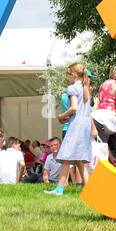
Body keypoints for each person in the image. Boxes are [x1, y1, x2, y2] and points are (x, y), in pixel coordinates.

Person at [45, 63, 93, 195]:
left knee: (66, 156)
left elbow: (74, 107)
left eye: (68, 76)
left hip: (76, 126)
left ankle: (59, 189)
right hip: (85, 125)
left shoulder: (72, 88)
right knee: (79, 159)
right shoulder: (85, 89)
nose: (68, 79)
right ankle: (89, 190)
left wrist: (62, 115)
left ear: (72, 75)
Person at [92, 65, 116, 167]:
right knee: (109, 144)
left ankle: (109, 161)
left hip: (98, 116)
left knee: (103, 144)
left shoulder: (102, 85)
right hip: (111, 115)